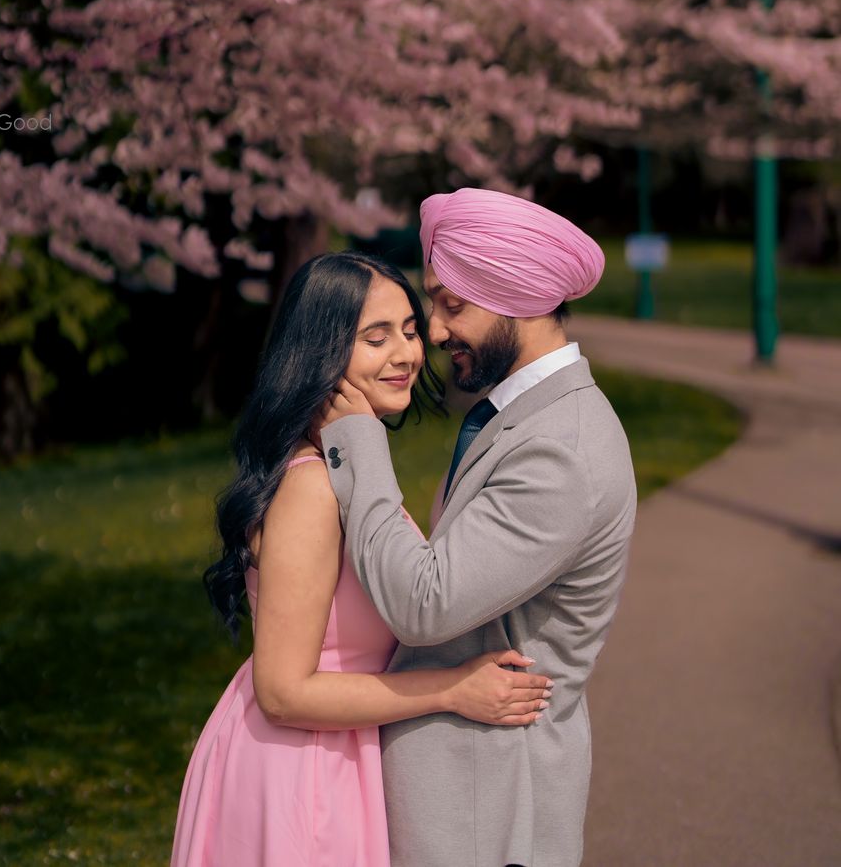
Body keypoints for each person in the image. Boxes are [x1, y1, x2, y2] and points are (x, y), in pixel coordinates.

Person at [170, 250, 554, 867]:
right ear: (321, 353)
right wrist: (453, 689)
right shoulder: (311, 488)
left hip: (338, 757)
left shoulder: (343, 469)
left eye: (408, 330)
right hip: (302, 772)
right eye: (375, 338)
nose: (406, 354)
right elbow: (284, 692)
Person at [317, 189, 637, 867]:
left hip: (482, 808)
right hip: (468, 792)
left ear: (517, 296)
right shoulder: (521, 418)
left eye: (451, 304)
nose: (433, 332)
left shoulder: (563, 449)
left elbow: (424, 605)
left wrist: (356, 441)